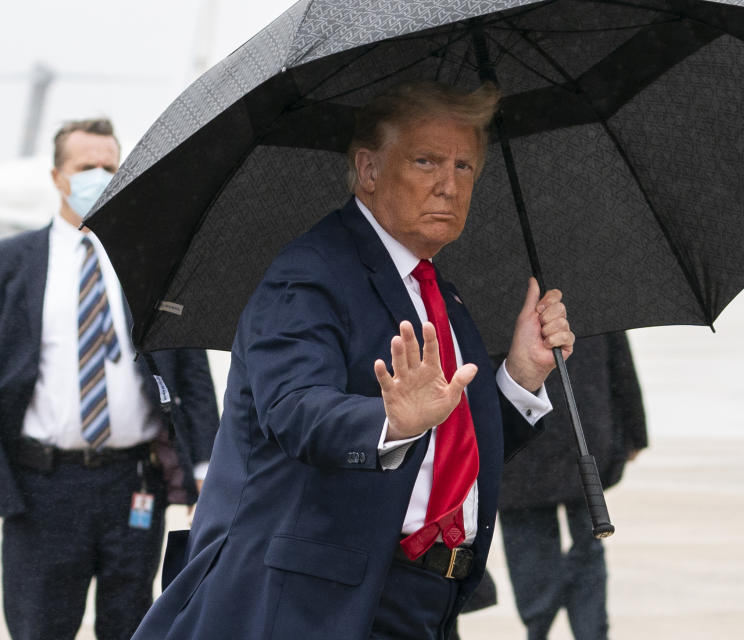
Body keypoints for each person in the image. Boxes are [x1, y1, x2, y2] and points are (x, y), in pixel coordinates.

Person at [131, 81, 575, 640]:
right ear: (368, 170)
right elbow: (293, 410)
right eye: (426, 161)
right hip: (314, 605)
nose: (448, 185)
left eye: (465, 167)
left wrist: (520, 375)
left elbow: (451, 450)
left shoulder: (439, 291)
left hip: (420, 600)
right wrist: (390, 423)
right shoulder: (310, 272)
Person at [0, 118, 220, 640]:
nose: (99, 176)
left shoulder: (150, 261)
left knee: (134, 624)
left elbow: (186, 363)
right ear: (58, 177)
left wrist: (205, 464)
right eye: (85, 167)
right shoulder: (13, 264)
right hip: (43, 487)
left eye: (109, 166)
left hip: (135, 484)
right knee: (40, 626)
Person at [499, 332, 647, 640]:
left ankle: (543, 628)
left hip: (526, 447)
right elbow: (619, 358)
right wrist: (635, 430)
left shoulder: (488, 296)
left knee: (534, 548)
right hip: (577, 439)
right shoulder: (589, 288)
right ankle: (581, 630)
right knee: (582, 544)